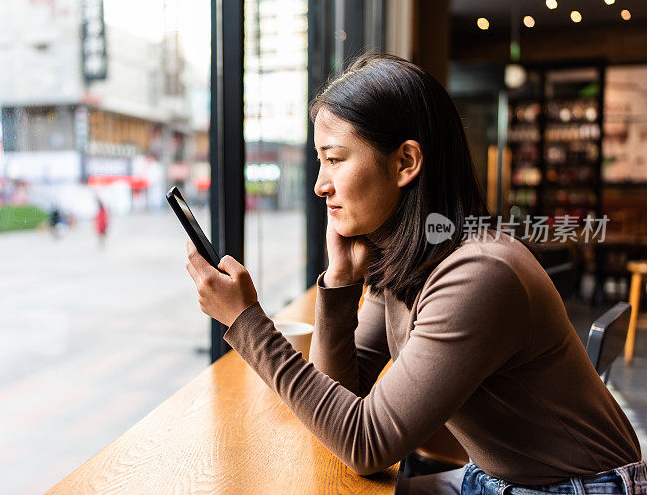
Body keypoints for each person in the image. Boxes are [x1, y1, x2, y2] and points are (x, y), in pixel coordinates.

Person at [184, 54, 644, 494]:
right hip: (497, 479)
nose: (320, 184)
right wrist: (340, 280)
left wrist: (245, 320)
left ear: (405, 162)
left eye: (335, 158)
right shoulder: (412, 259)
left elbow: (365, 445)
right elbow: (342, 394)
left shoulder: (479, 274)